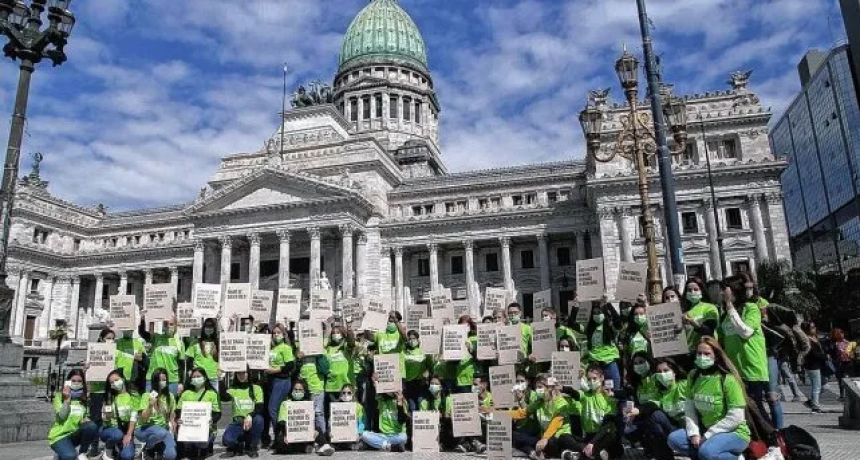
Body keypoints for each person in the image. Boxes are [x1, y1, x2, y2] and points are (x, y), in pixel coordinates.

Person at [668, 337, 751, 460]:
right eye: (699, 353)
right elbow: (690, 408)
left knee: (707, 452)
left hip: (734, 432)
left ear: (716, 356)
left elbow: (736, 417)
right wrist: (694, 433)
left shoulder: (727, 379)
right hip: (706, 429)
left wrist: (708, 435)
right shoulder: (693, 375)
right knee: (674, 439)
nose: (702, 357)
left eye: (707, 353)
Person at [719, 275, 771, 424]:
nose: (722, 293)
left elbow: (745, 332)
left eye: (725, 290)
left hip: (751, 367)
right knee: (741, 410)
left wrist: (729, 306)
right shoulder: (725, 315)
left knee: (755, 407)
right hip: (734, 369)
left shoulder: (751, 308)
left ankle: (774, 440)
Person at [560, 364, 622, 460]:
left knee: (611, 443)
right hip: (589, 436)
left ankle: (581, 455)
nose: (591, 382)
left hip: (603, 436)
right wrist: (562, 388)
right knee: (564, 437)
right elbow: (573, 392)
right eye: (589, 379)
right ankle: (589, 452)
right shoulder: (585, 395)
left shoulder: (609, 398)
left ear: (602, 378)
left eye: (594, 378)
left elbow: (606, 426)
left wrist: (592, 443)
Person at [510, 374, 578, 460]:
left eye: (540, 387)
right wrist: (499, 413)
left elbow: (555, 424)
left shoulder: (561, 403)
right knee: (514, 435)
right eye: (536, 387)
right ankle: (534, 453)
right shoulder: (539, 402)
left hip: (559, 438)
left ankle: (566, 454)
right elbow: (521, 413)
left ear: (549, 388)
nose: (537, 390)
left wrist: (545, 438)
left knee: (554, 441)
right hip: (544, 440)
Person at [637, 359, 688, 460]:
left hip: (694, 429)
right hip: (677, 429)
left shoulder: (684, 385)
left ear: (674, 372)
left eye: (666, 370)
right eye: (659, 372)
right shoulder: (661, 393)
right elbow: (651, 404)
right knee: (655, 416)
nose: (662, 374)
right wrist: (638, 410)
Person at [48, 369, 99, 460]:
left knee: (92, 426)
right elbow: (62, 416)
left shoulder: (83, 399)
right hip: (59, 436)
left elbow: (85, 420)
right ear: (68, 382)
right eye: (73, 381)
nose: (76, 383)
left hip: (74, 434)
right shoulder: (59, 396)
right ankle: (61, 453)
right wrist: (67, 399)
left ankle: (82, 453)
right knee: (70, 456)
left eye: (79, 381)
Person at [275, 379, 333, 455]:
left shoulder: (308, 404)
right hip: (289, 434)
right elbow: (282, 422)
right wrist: (286, 435)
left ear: (304, 391)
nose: (297, 391)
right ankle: (305, 448)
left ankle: (325, 446)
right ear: (292, 390)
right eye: (295, 389)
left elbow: (311, 420)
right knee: (280, 443)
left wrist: (313, 430)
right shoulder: (285, 403)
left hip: (305, 434)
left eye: (300, 390)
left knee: (317, 429)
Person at [577, 300, 623, 392]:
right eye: (594, 313)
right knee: (595, 392)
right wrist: (575, 306)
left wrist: (608, 304)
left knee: (614, 391)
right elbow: (571, 324)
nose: (597, 315)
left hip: (609, 364)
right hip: (595, 365)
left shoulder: (610, 328)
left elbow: (618, 322)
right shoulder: (589, 329)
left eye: (599, 312)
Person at [176, 368, 221, 459]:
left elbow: (217, 413)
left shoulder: (212, 394)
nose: (196, 379)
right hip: (189, 427)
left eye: (198, 376)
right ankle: (191, 447)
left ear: (204, 378)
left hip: (207, 429)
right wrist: (179, 419)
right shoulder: (186, 393)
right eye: (194, 377)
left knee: (202, 444)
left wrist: (212, 420)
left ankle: (205, 446)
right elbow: (178, 410)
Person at [135, 368, 177, 460]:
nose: (161, 382)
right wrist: (150, 406)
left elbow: (172, 415)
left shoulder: (170, 396)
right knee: (160, 432)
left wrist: (173, 422)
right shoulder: (146, 395)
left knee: (171, 455)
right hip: (144, 428)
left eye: (164, 380)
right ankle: (148, 448)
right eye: (159, 380)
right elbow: (144, 419)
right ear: (154, 381)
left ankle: (157, 448)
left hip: (162, 429)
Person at [264, 323, 296, 446]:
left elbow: (290, 365)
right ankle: (280, 436)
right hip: (272, 381)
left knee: (273, 409)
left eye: (279, 333)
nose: (276, 335)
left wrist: (274, 370)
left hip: (282, 381)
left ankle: (280, 434)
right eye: (274, 333)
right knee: (276, 409)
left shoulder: (286, 348)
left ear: (283, 335)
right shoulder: (272, 348)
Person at [222, 369, 265, 458]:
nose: (241, 375)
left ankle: (252, 447)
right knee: (227, 440)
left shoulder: (256, 388)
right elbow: (224, 397)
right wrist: (220, 380)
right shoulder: (233, 389)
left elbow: (260, 407)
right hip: (238, 422)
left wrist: (250, 416)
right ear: (236, 375)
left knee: (259, 419)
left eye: (244, 372)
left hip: (251, 421)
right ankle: (238, 443)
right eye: (239, 373)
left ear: (248, 374)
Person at [139, 315, 185, 395]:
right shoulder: (156, 337)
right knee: (151, 404)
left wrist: (181, 383)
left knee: (169, 405)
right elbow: (143, 333)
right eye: (166, 324)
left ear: (176, 325)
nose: (168, 326)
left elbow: (181, 365)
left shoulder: (180, 343)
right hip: (153, 378)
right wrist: (143, 320)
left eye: (171, 324)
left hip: (171, 380)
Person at [359, 379, 409, 452]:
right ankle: (390, 447)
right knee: (364, 435)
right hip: (383, 435)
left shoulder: (403, 402)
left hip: (397, 435)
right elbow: (376, 391)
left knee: (404, 437)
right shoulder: (381, 400)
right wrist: (375, 382)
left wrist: (399, 404)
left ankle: (381, 445)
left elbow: (401, 421)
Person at [100, 370, 138, 460]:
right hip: (110, 431)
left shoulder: (133, 396)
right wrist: (107, 416)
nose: (115, 383)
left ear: (123, 379)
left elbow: (134, 416)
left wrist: (129, 434)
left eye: (116, 380)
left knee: (127, 456)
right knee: (117, 434)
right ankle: (108, 449)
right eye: (112, 382)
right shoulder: (109, 398)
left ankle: (118, 451)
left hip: (125, 431)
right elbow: (104, 419)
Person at [324, 323, 356, 415]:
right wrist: (327, 328)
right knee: (334, 414)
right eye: (333, 333)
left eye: (338, 333)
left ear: (342, 334)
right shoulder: (328, 348)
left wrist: (349, 329)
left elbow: (351, 342)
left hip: (346, 385)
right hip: (331, 386)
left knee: (347, 413)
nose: (335, 335)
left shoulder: (345, 347)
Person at [682, 278, 720, 352]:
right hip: (689, 353)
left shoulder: (709, 308)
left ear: (701, 291)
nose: (692, 292)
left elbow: (709, 331)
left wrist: (694, 324)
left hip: (706, 350)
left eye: (696, 289)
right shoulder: (684, 312)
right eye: (689, 290)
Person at [185, 318, 220, 391]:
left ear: (214, 328)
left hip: (213, 378)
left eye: (211, 326)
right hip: (198, 377)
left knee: (213, 400)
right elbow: (189, 360)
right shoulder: (195, 342)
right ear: (203, 328)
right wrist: (189, 371)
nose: (208, 328)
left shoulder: (218, 343)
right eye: (206, 326)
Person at [420, 376, 453, 450]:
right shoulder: (424, 402)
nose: (433, 385)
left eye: (436, 384)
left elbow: (449, 416)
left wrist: (443, 415)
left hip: (444, 427)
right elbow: (421, 418)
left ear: (441, 387)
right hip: (430, 429)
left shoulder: (448, 400)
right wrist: (432, 416)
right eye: (431, 383)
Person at [328, 383, 364, 451]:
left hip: (354, 434)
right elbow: (331, 421)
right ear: (341, 394)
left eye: (349, 393)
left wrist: (359, 433)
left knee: (362, 437)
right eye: (344, 393)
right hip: (339, 434)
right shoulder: (336, 406)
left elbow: (361, 423)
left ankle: (351, 445)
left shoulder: (358, 407)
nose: (346, 395)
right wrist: (330, 431)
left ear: (353, 394)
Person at [402, 329, 430, 411]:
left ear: (418, 339)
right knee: (412, 407)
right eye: (409, 339)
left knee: (421, 404)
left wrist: (425, 376)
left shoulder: (424, 351)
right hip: (409, 383)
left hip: (421, 382)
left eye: (413, 338)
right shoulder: (404, 352)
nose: (411, 341)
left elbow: (429, 366)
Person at [801, 322, 826, 413]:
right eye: (812, 327)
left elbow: (821, 350)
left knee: (825, 385)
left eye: (814, 326)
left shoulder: (815, 338)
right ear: (807, 329)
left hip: (819, 364)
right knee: (816, 386)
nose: (814, 328)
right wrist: (824, 356)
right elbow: (812, 354)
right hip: (812, 365)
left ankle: (811, 401)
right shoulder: (807, 339)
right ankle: (815, 407)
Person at [454, 315, 480, 393]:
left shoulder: (476, 338)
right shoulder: (456, 339)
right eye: (462, 325)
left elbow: (481, 358)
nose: (464, 327)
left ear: (470, 326)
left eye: (467, 325)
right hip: (462, 378)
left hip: (475, 377)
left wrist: (471, 350)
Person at [115, 329, 146, 393]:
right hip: (119, 376)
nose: (127, 331)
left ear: (132, 330)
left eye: (130, 330)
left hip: (133, 377)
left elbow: (142, 357)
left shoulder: (137, 343)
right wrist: (133, 356)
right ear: (122, 330)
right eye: (126, 329)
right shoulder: (117, 342)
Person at [828, 328, 853, 400]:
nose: (840, 335)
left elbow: (851, 353)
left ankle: (848, 395)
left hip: (847, 363)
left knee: (847, 379)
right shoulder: (835, 343)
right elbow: (831, 352)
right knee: (840, 380)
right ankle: (842, 395)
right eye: (838, 334)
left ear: (843, 334)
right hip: (839, 363)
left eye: (841, 333)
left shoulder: (848, 342)